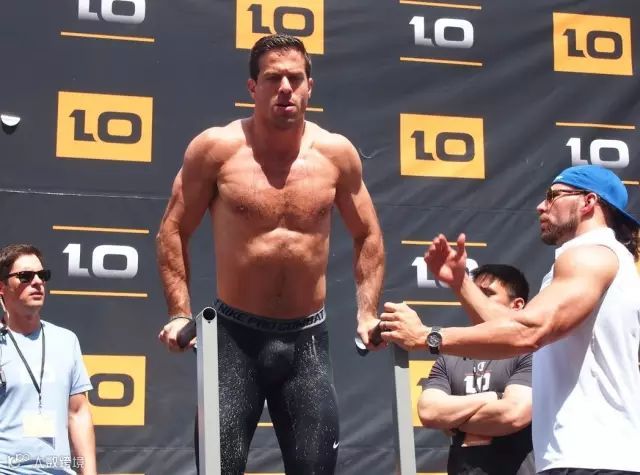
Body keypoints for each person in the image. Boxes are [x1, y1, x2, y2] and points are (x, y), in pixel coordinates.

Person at [156, 34, 385, 474]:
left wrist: (367, 313)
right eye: (272, 78)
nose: (285, 88)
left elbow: (367, 232)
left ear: (309, 87)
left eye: (295, 78)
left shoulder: (336, 154)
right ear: (252, 87)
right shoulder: (216, 149)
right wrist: (178, 312)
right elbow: (173, 228)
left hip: (306, 343)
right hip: (232, 339)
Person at [380, 164, 640, 474]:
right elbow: (514, 325)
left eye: (553, 196)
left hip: (593, 458)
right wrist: (461, 284)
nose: (541, 206)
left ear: (588, 202)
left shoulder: (591, 254)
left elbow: (529, 331)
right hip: (587, 457)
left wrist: (427, 337)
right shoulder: (595, 259)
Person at [420, 264, 534, 475]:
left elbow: (513, 414)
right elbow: (429, 412)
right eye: (473, 292)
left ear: (517, 305)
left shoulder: (530, 352)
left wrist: (453, 421)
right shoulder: (450, 356)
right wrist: (492, 397)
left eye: (487, 294)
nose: (475, 300)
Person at [0, 244, 96, 475]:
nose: (37, 282)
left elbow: (78, 413)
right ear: (2, 287)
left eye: (42, 275)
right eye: (25, 276)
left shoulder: (66, 340)